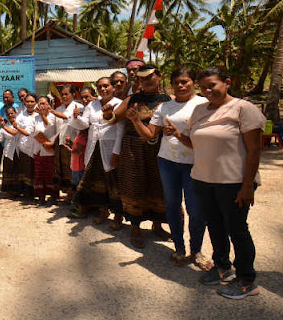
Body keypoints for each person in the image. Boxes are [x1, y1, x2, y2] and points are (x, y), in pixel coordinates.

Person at [166, 67, 265, 299]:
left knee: (237, 231)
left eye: (212, 85)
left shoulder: (243, 108)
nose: (207, 90)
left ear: (227, 82)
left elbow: (254, 150)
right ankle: (223, 269)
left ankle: (246, 281)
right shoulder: (200, 110)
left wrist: (247, 185)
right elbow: (196, 144)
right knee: (215, 227)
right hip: (203, 180)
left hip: (233, 182)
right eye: (203, 87)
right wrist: (178, 135)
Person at [129, 68, 209, 267]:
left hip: (194, 164)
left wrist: (179, 134)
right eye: (177, 82)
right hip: (167, 162)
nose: (181, 86)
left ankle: (197, 250)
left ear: (194, 82)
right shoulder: (164, 107)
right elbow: (150, 135)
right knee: (172, 206)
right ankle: (179, 248)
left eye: (185, 81)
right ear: (171, 85)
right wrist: (135, 120)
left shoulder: (203, 105)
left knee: (195, 209)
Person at [103, 64, 171, 248]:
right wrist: (108, 112)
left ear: (159, 76)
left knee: (158, 185)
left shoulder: (168, 100)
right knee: (134, 186)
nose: (146, 81)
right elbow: (113, 119)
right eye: (142, 78)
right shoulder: (131, 99)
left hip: (159, 148)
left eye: (149, 77)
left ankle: (157, 225)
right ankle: (135, 228)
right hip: (133, 148)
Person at [72, 77, 124, 227]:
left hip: (110, 146)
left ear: (113, 87)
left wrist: (116, 151)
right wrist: (77, 117)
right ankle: (103, 211)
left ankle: (118, 217)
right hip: (93, 146)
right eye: (100, 87)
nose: (103, 89)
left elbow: (120, 129)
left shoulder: (119, 104)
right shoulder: (92, 105)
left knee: (114, 181)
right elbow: (84, 124)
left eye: (106, 86)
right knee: (98, 181)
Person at [51, 85, 83, 198]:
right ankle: (67, 194)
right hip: (61, 144)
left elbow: (69, 119)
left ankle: (74, 196)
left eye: (66, 94)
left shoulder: (79, 107)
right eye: (62, 94)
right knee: (62, 170)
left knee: (73, 171)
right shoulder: (58, 109)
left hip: (74, 144)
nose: (64, 96)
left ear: (73, 95)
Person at [32, 95, 58, 202]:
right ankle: (41, 195)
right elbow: (34, 131)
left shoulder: (53, 116)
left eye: (43, 103)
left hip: (50, 149)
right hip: (38, 148)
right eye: (40, 104)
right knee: (39, 173)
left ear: (49, 104)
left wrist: (43, 115)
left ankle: (53, 196)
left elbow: (50, 126)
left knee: (50, 173)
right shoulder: (35, 118)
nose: (41, 106)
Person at [14, 93, 38, 198]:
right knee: (25, 170)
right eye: (27, 101)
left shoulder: (39, 115)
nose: (29, 104)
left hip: (37, 147)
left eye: (32, 101)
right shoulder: (21, 115)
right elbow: (16, 128)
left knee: (35, 170)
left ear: (35, 102)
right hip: (23, 147)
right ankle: (26, 193)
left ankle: (36, 193)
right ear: (24, 103)